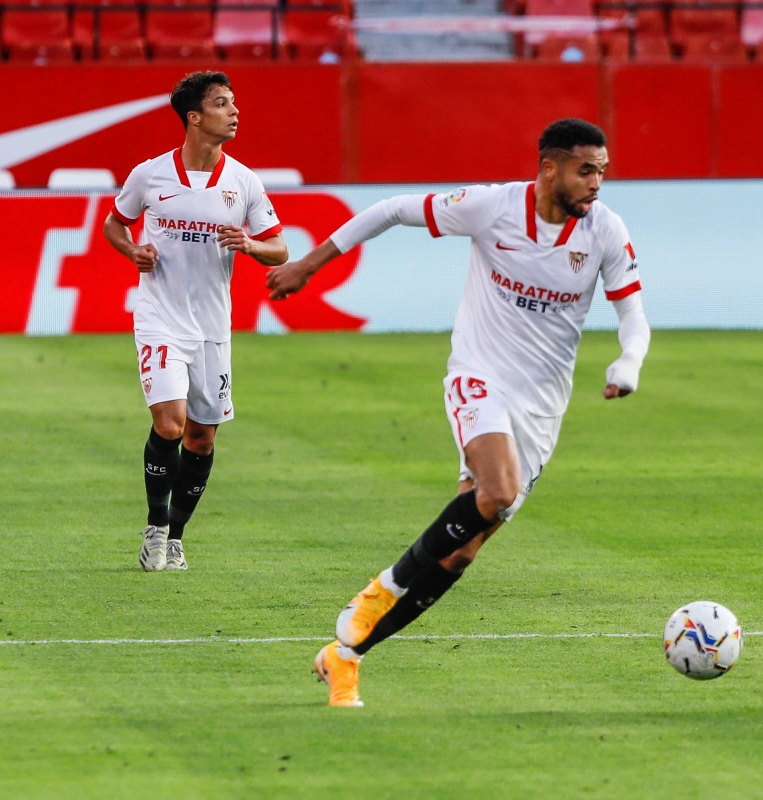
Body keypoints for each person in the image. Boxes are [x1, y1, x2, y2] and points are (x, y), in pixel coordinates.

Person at [267, 118, 650, 708]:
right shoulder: (490, 208)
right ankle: (384, 586)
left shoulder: (604, 229)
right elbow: (393, 210)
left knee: (463, 550)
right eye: (587, 170)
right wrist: (310, 264)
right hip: (479, 377)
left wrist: (628, 363)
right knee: (496, 492)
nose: (598, 182)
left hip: (541, 407)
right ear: (550, 168)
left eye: (602, 169)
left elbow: (634, 314)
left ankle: (344, 658)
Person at [104, 71, 288, 572]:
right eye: (223, 104)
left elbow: (280, 248)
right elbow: (114, 224)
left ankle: (177, 536)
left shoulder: (243, 181)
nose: (235, 112)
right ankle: (155, 526)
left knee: (202, 438)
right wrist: (133, 250)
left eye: (234, 103)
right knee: (170, 422)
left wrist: (250, 245)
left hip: (212, 328)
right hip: (159, 317)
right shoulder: (150, 175)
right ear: (195, 117)